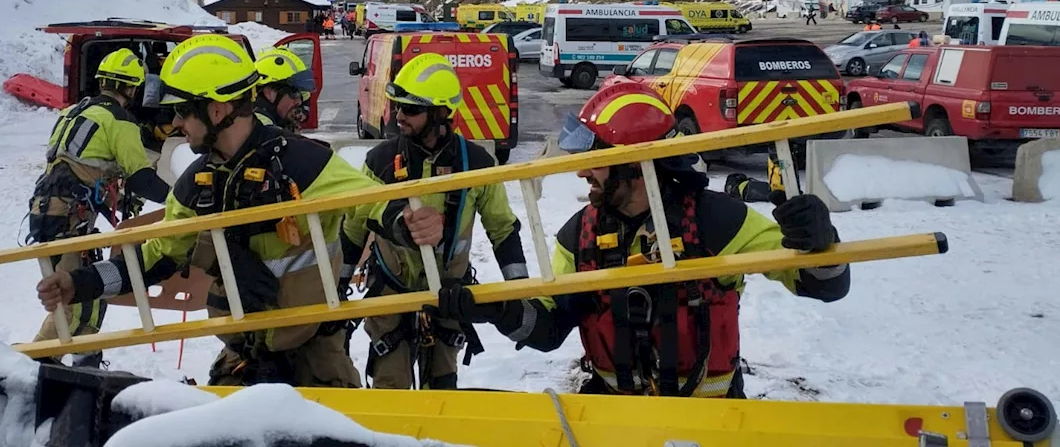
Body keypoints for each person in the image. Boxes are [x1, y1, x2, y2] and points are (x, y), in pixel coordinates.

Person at [431, 82, 849, 398]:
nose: (582, 172)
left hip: (712, 420)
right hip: (614, 416)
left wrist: (818, 241)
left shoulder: (718, 221)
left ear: (633, 163)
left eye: (596, 161)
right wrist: (496, 308)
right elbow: (549, 328)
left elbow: (824, 285)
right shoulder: (578, 238)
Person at [36, 34, 376, 387]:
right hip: (244, 354)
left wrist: (408, 220)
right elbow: (157, 255)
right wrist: (82, 283)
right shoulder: (196, 184)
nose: (177, 123)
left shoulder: (305, 162)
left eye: (183, 110)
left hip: (316, 356)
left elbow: (381, 201)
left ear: (216, 109)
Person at [341, 54, 528, 390]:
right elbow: (354, 226)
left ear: (441, 113)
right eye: (397, 106)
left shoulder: (476, 165)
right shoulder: (380, 161)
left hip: (449, 295)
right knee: (390, 386)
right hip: (390, 292)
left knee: (442, 387)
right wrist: (339, 286)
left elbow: (503, 229)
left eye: (410, 110)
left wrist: (522, 289)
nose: (399, 116)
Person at [28, 48, 171, 366]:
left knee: (89, 294)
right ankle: (34, 363)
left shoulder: (73, 112)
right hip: (70, 218)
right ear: (132, 89)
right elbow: (142, 180)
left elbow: (78, 167)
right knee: (71, 300)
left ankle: (86, 360)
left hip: (46, 210)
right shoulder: (120, 121)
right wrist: (179, 199)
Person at [253, 47, 315, 133]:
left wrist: (303, 110)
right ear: (269, 92)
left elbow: (305, 95)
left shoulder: (275, 111)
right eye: (294, 94)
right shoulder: (261, 125)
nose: (299, 102)